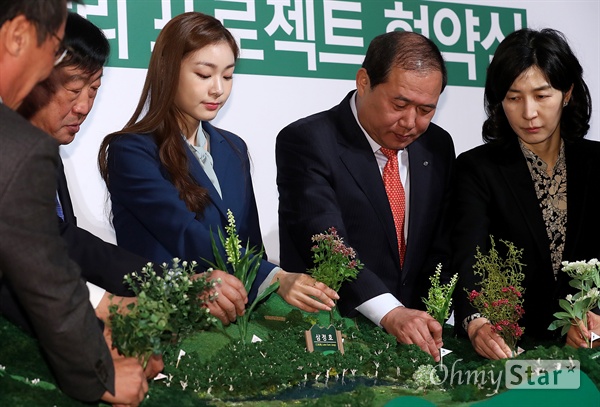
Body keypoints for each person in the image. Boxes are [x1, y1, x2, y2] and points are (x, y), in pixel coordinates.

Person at [98, 12, 338, 326]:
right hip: (168, 320)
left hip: (237, 318)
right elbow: (186, 235)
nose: (218, 90)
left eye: (227, 76)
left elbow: (250, 243)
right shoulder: (131, 150)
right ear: (169, 71)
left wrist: (269, 284)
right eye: (204, 74)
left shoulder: (233, 147)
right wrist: (275, 277)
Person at [0, 1, 147, 404]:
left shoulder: (35, 148)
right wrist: (98, 368)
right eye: (49, 59)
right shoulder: (18, 147)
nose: (82, 105)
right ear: (16, 38)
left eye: (93, 90)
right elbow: (37, 273)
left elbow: (62, 242)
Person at [276, 31, 455, 362]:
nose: (410, 123)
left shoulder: (437, 145)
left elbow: (441, 244)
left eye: (426, 109)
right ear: (363, 82)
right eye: (399, 104)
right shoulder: (308, 141)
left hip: (417, 337)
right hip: (333, 333)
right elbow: (327, 244)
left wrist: (434, 315)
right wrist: (390, 312)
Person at [452, 28, 600, 359]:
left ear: (567, 93)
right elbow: (468, 255)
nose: (529, 112)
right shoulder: (477, 169)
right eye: (514, 98)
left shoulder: (597, 164)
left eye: (542, 95)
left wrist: (598, 318)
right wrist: (477, 321)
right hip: (512, 350)